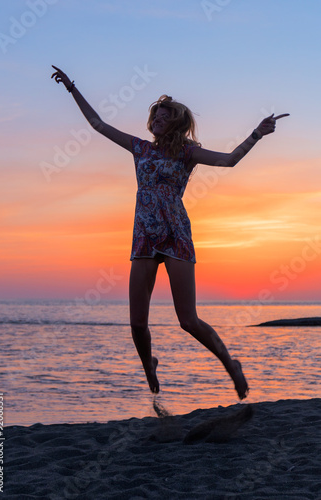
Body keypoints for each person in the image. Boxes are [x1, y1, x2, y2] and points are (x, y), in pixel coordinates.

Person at [51, 65, 289, 400]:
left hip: (176, 235)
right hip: (145, 237)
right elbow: (98, 124)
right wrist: (72, 88)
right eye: (156, 115)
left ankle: (230, 364)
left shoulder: (186, 152)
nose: (157, 119)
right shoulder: (140, 149)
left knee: (188, 320)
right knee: (137, 324)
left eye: (164, 116)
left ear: (174, 122)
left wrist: (257, 134)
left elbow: (230, 160)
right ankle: (150, 365)